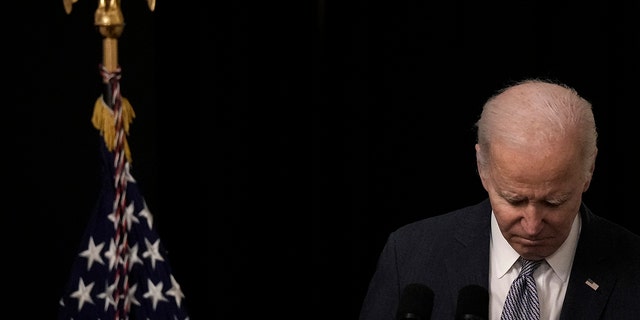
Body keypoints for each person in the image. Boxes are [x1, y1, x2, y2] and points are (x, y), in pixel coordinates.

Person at [358, 78, 640, 320]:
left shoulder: (632, 265)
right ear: (483, 169)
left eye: (554, 202)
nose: (532, 226)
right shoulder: (410, 255)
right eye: (514, 200)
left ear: (589, 170)